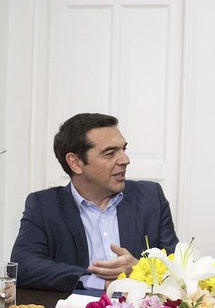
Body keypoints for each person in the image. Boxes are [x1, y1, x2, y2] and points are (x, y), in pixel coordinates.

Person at [11, 112, 179, 292]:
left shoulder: (150, 198)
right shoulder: (44, 205)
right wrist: (94, 281)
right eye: (110, 153)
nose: (125, 160)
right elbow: (23, 265)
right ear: (75, 163)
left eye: (123, 149)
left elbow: (179, 270)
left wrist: (138, 270)